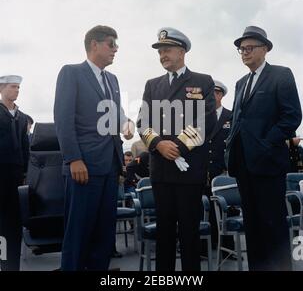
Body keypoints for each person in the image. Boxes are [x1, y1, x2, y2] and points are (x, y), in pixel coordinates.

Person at [54, 25, 134, 271]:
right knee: (78, 233)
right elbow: (63, 118)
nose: (115, 49)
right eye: (111, 44)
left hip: (110, 166)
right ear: (94, 45)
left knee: (104, 235)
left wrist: (126, 123)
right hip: (84, 166)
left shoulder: (112, 79)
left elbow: (116, 113)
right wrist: (74, 159)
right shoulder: (71, 73)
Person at [137, 27, 216, 271]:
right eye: (160, 51)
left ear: (182, 52)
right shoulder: (153, 85)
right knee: (165, 233)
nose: (162, 55)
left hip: (188, 169)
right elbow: (142, 122)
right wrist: (159, 144)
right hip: (161, 170)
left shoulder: (202, 81)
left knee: (190, 234)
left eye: (167, 50)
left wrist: (178, 146)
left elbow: (207, 120)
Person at [225, 26, 302, 270]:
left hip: (268, 163)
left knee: (273, 225)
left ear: (265, 49)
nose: (244, 53)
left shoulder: (281, 74)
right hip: (243, 164)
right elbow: (238, 121)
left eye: (249, 48)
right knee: (253, 225)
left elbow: (292, 116)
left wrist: (267, 142)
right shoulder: (240, 83)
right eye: (241, 49)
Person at [202, 80, 238, 257]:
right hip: (203, 169)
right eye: (210, 93)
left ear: (221, 95)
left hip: (223, 170)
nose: (213, 96)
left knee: (226, 209)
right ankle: (204, 248)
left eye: (216, 93)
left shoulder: (231, 116)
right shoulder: (200, 116)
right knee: (203, 208)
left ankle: (227, 248)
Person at [0, 75, 29, 271]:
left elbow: (25, 148)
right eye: (13, 87)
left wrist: (27, 172)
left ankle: (12, 267)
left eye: (18, 87)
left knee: (14, 226)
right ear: (2, 88)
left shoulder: (22, 117)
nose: (16, 90)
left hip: (16, 176)